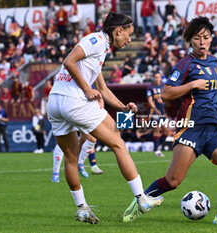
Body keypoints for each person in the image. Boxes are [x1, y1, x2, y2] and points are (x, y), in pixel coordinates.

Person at [123, 16, 217, 225]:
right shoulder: (185, 64)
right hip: (191, 128)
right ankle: (138, 202)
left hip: (214, 128)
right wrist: (192, 85)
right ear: (190, 40)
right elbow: (166, 94)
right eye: (197, 38)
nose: (202, 42)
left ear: (211, 38)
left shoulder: (214, 61)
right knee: (173, 181)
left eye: (206, 37)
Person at [46, 12, 163, 224]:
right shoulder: (97, 41)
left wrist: (122, 107)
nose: (129, 40)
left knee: (71, 157)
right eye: (128, 34)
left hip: (55, 103)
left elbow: (102, 88)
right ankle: (141, 198)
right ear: (118, 31)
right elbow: (69, 61)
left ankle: (82, 208)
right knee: (118, 143)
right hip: (74, 100)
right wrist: (86, 90)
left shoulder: (99, 48)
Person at [147, 72, 166, 157]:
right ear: (153, 78)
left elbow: (167, 97)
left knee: (167, 131)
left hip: (162, 111)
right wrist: (155, 109)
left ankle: (158, 145)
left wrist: (163, 101)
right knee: (156, 130)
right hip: (153, 111)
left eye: (159, 77)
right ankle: (157, 150)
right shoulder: (150, 88)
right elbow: (150, 100)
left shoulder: (163, 86)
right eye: (156, 77)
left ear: (161, 78)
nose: (157, 79)